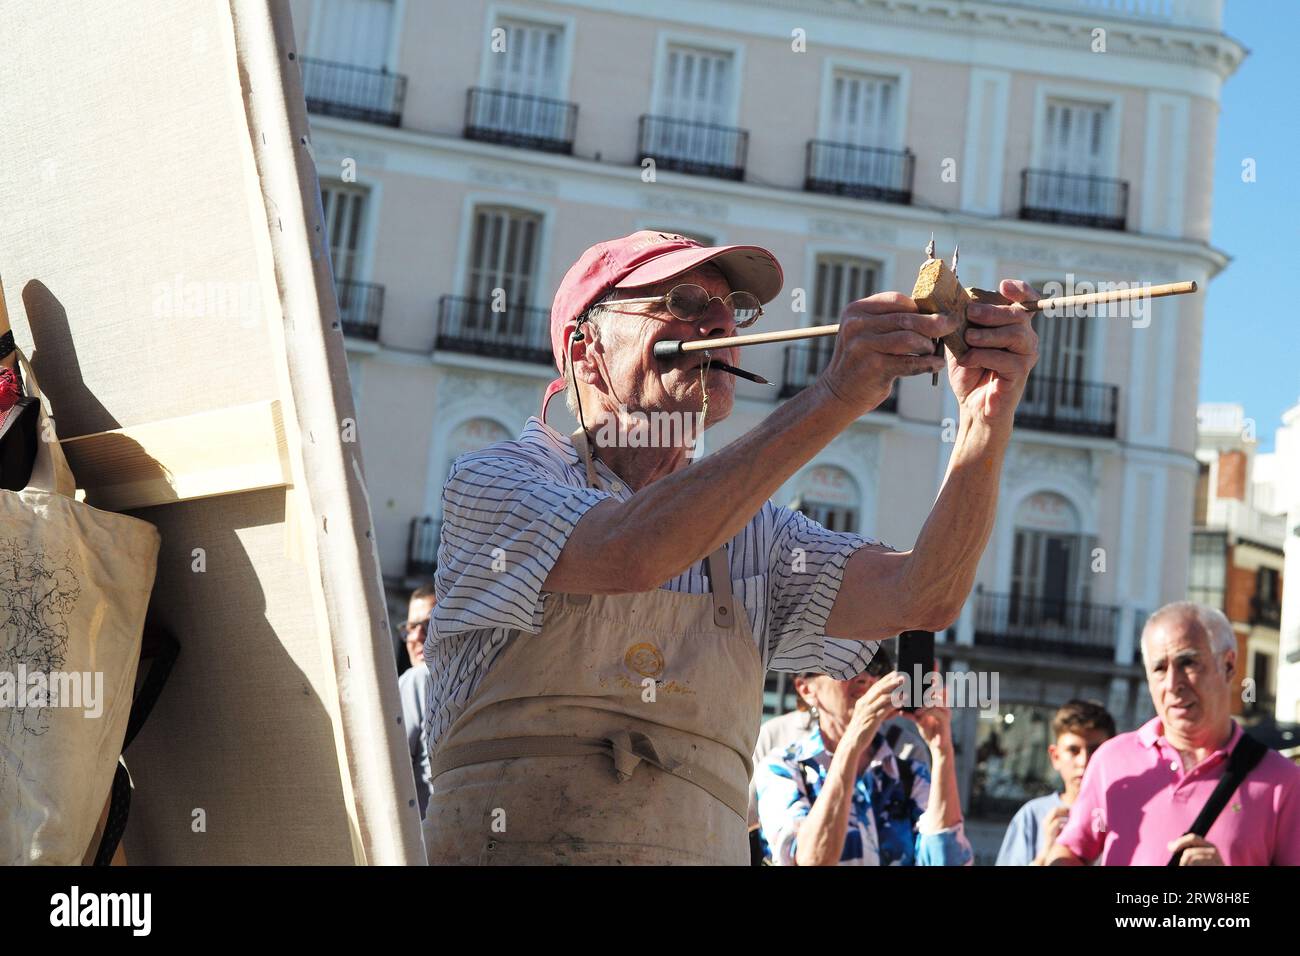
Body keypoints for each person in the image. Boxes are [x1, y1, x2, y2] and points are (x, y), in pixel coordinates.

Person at [422, 230, 1040, 865]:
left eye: (733, 307)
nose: (719, 321)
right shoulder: (497, 481)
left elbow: (922, 598)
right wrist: (834, 397)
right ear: (586, 347)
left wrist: (984, 423)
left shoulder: (759, 536)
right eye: (684, 301)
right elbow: (631, 550)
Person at [1049, 602, 1300, 866]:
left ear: (1227, 665)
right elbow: (1071, 851)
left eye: (1188, 663)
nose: (1172, 684)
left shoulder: (1284, 781)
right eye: (1159, 668)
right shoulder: (1111, 760)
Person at [753, 668, 971, 865]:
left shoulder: (908, 774)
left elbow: (948, 861)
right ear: (806, 689)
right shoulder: (783, 769)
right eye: (846, 666)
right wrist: (852, 744)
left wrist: (942, 750)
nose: (865, 677)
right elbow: (811, 860)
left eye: (875, 666)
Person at [995, 699, 1115, 866]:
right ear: (1055, 756)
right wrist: (1046, 854)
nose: (1084, 761)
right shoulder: (1032, 816)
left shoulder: (1122, 817)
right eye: (1073, 750)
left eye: (1095, 750)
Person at [397, 585, 435, 818]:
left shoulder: (418, 679)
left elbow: (390, 768)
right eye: (411, 627)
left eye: (428, 625)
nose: (416, 637)